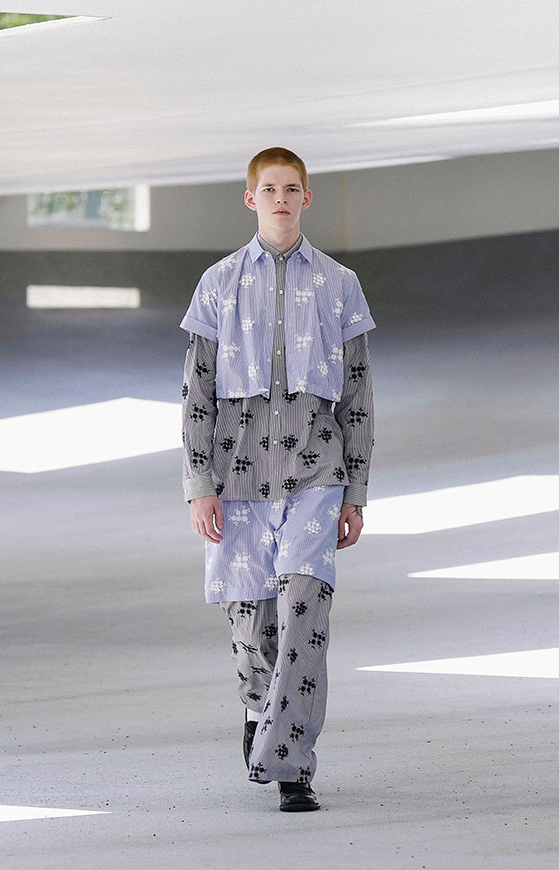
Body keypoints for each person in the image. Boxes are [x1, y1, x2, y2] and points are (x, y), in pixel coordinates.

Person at [179, 146, 375, 812]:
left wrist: (356, 492)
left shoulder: (340, 284)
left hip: (316, 471)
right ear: (251, 198)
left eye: (292, 189)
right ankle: (258, 708)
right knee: (254, 629)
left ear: (307, 198)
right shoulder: (218, 282)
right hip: (235, 479)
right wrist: (198, 484)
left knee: (304, 611)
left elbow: (358, 394)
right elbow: (196, 392)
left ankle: (292, 766)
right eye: (270, 189)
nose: (282, 199)